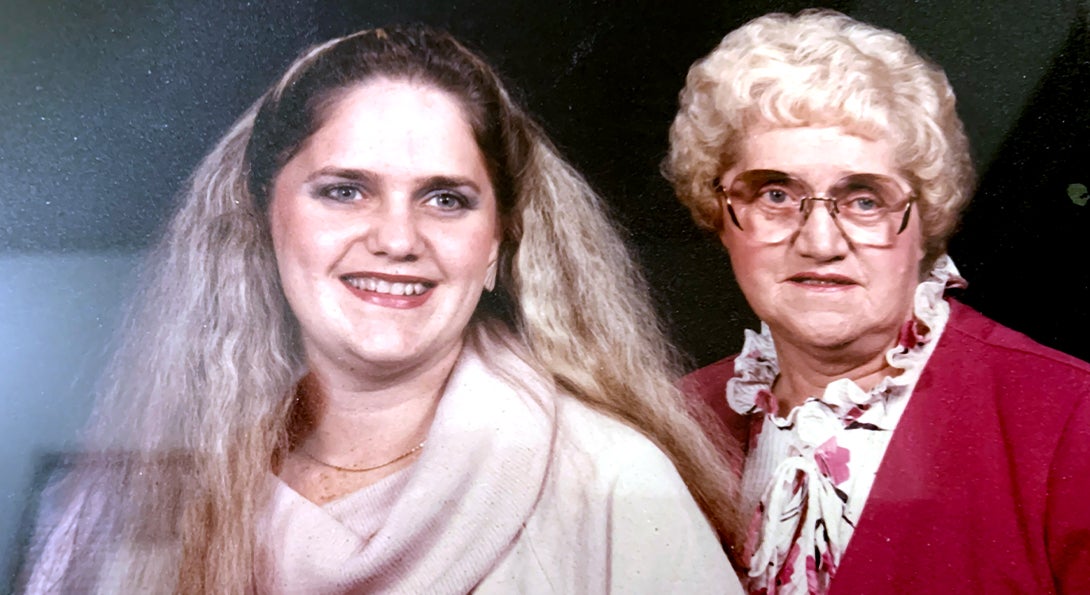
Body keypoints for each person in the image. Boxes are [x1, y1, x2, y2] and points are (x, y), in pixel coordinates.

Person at [22, 26, 744, 593]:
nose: (398, 238)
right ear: (263, 217)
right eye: (344, 190)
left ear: (497, 243)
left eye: (446, 199)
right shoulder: (135, 500)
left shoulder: (614, 485)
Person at [663, 9, 1090, 594]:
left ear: (926, 217)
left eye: (864, 200)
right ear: (720, 212)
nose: (818, 242)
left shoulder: (1070, 420)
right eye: (776, 193)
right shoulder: (672, 424)